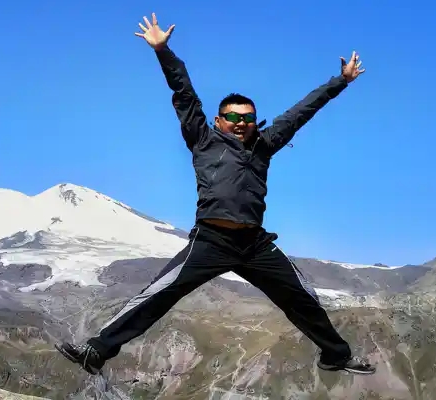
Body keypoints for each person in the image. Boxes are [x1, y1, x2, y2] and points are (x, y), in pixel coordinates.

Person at [56, 12, 375, 376]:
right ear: (218, 120)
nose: (241, 124)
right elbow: (184, 93)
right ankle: (96, 351)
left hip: (255, 244)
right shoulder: (203, 140)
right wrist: (163, 51)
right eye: (233, 118)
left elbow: (302, 111)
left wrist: (341, 81)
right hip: (211, 240)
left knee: (302, 297)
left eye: (248, 118)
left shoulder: (264, 144)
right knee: (159, 294)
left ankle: (335, 355)